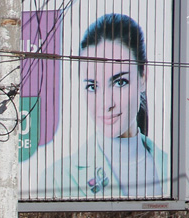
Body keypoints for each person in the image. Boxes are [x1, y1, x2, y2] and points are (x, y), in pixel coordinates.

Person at [42, 13, 167, 198]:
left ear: (143, 77)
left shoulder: (171, 168)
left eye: (120, 82)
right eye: (92, 86)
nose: (106, 104)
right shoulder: (58, 179)